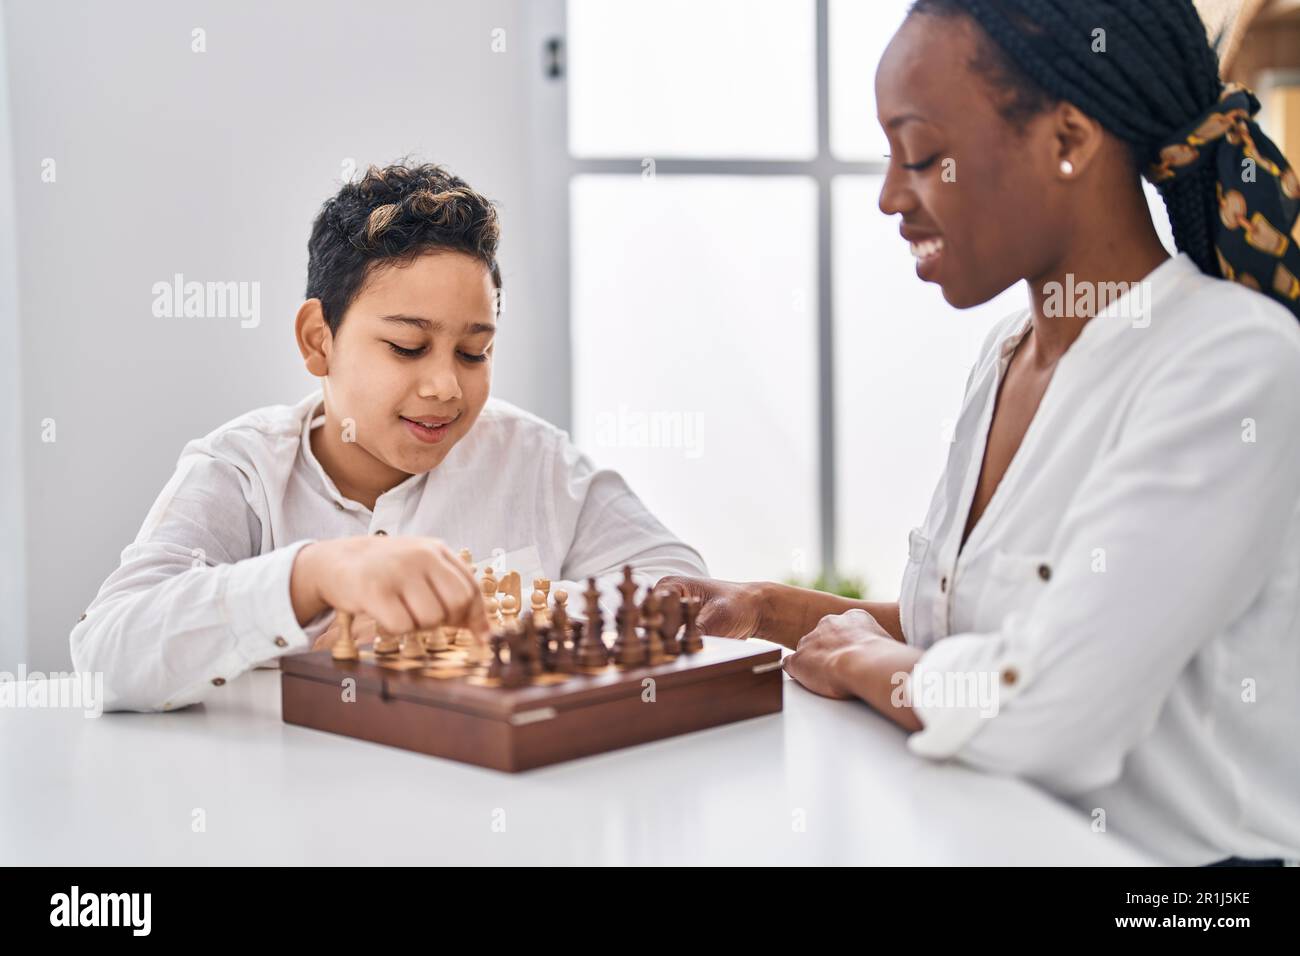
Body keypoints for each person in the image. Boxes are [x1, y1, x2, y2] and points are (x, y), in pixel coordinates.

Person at [659, 0, 1300, 866]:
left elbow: (1044, 714)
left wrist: (859, 666)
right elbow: (973, 644)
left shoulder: (1231, 365)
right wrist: (769, 610)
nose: (891, 197)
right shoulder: (1005, 360)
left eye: (921, 155)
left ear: (1069, 139)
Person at [71, 161, 706, 713]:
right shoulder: (242, 472)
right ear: (319, 340)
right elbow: (104, 658)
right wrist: (311, 575)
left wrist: (473, 614)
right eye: (407, 346)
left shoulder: (535, 460)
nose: (445, 388)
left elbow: (685, 591)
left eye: (473, 352)